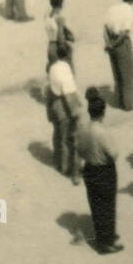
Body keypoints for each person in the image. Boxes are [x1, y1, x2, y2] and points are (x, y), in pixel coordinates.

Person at [77, 89, 122, 253]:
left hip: (90, 169)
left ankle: (104, 237)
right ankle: (106, 242)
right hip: (104, 171)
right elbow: (114, 154)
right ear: (103, 112)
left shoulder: (83, 130)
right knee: (108, 206)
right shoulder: (103, 132)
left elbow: (79, 151)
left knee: (96, 206)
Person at [46, 43, 81, 183]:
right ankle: (66, 168)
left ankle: (57, 159)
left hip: (53, 102)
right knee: (67, 137)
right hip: (63, 105)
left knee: (57, 133)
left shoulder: (53, 66)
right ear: (67, 55)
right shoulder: (66, 70)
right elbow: (69, 96)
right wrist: (76, 112)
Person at [103, 0, 133, 110]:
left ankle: (119, 100)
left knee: (117, 72)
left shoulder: (112, 9)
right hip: (121, 43)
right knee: (128, 75)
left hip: (110, 39)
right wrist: (115, 44)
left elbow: (105, 28)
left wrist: (108, 43)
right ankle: (127, 105)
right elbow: (125, 33)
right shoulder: (129, 10)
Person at [44, 0, 75, 69]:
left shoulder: (47, 16)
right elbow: (60, 36)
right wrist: (64, 47)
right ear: (61, 4)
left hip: (50, 46)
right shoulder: (60, 18)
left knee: (53, 70)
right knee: (67, 70)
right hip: (57, 46)